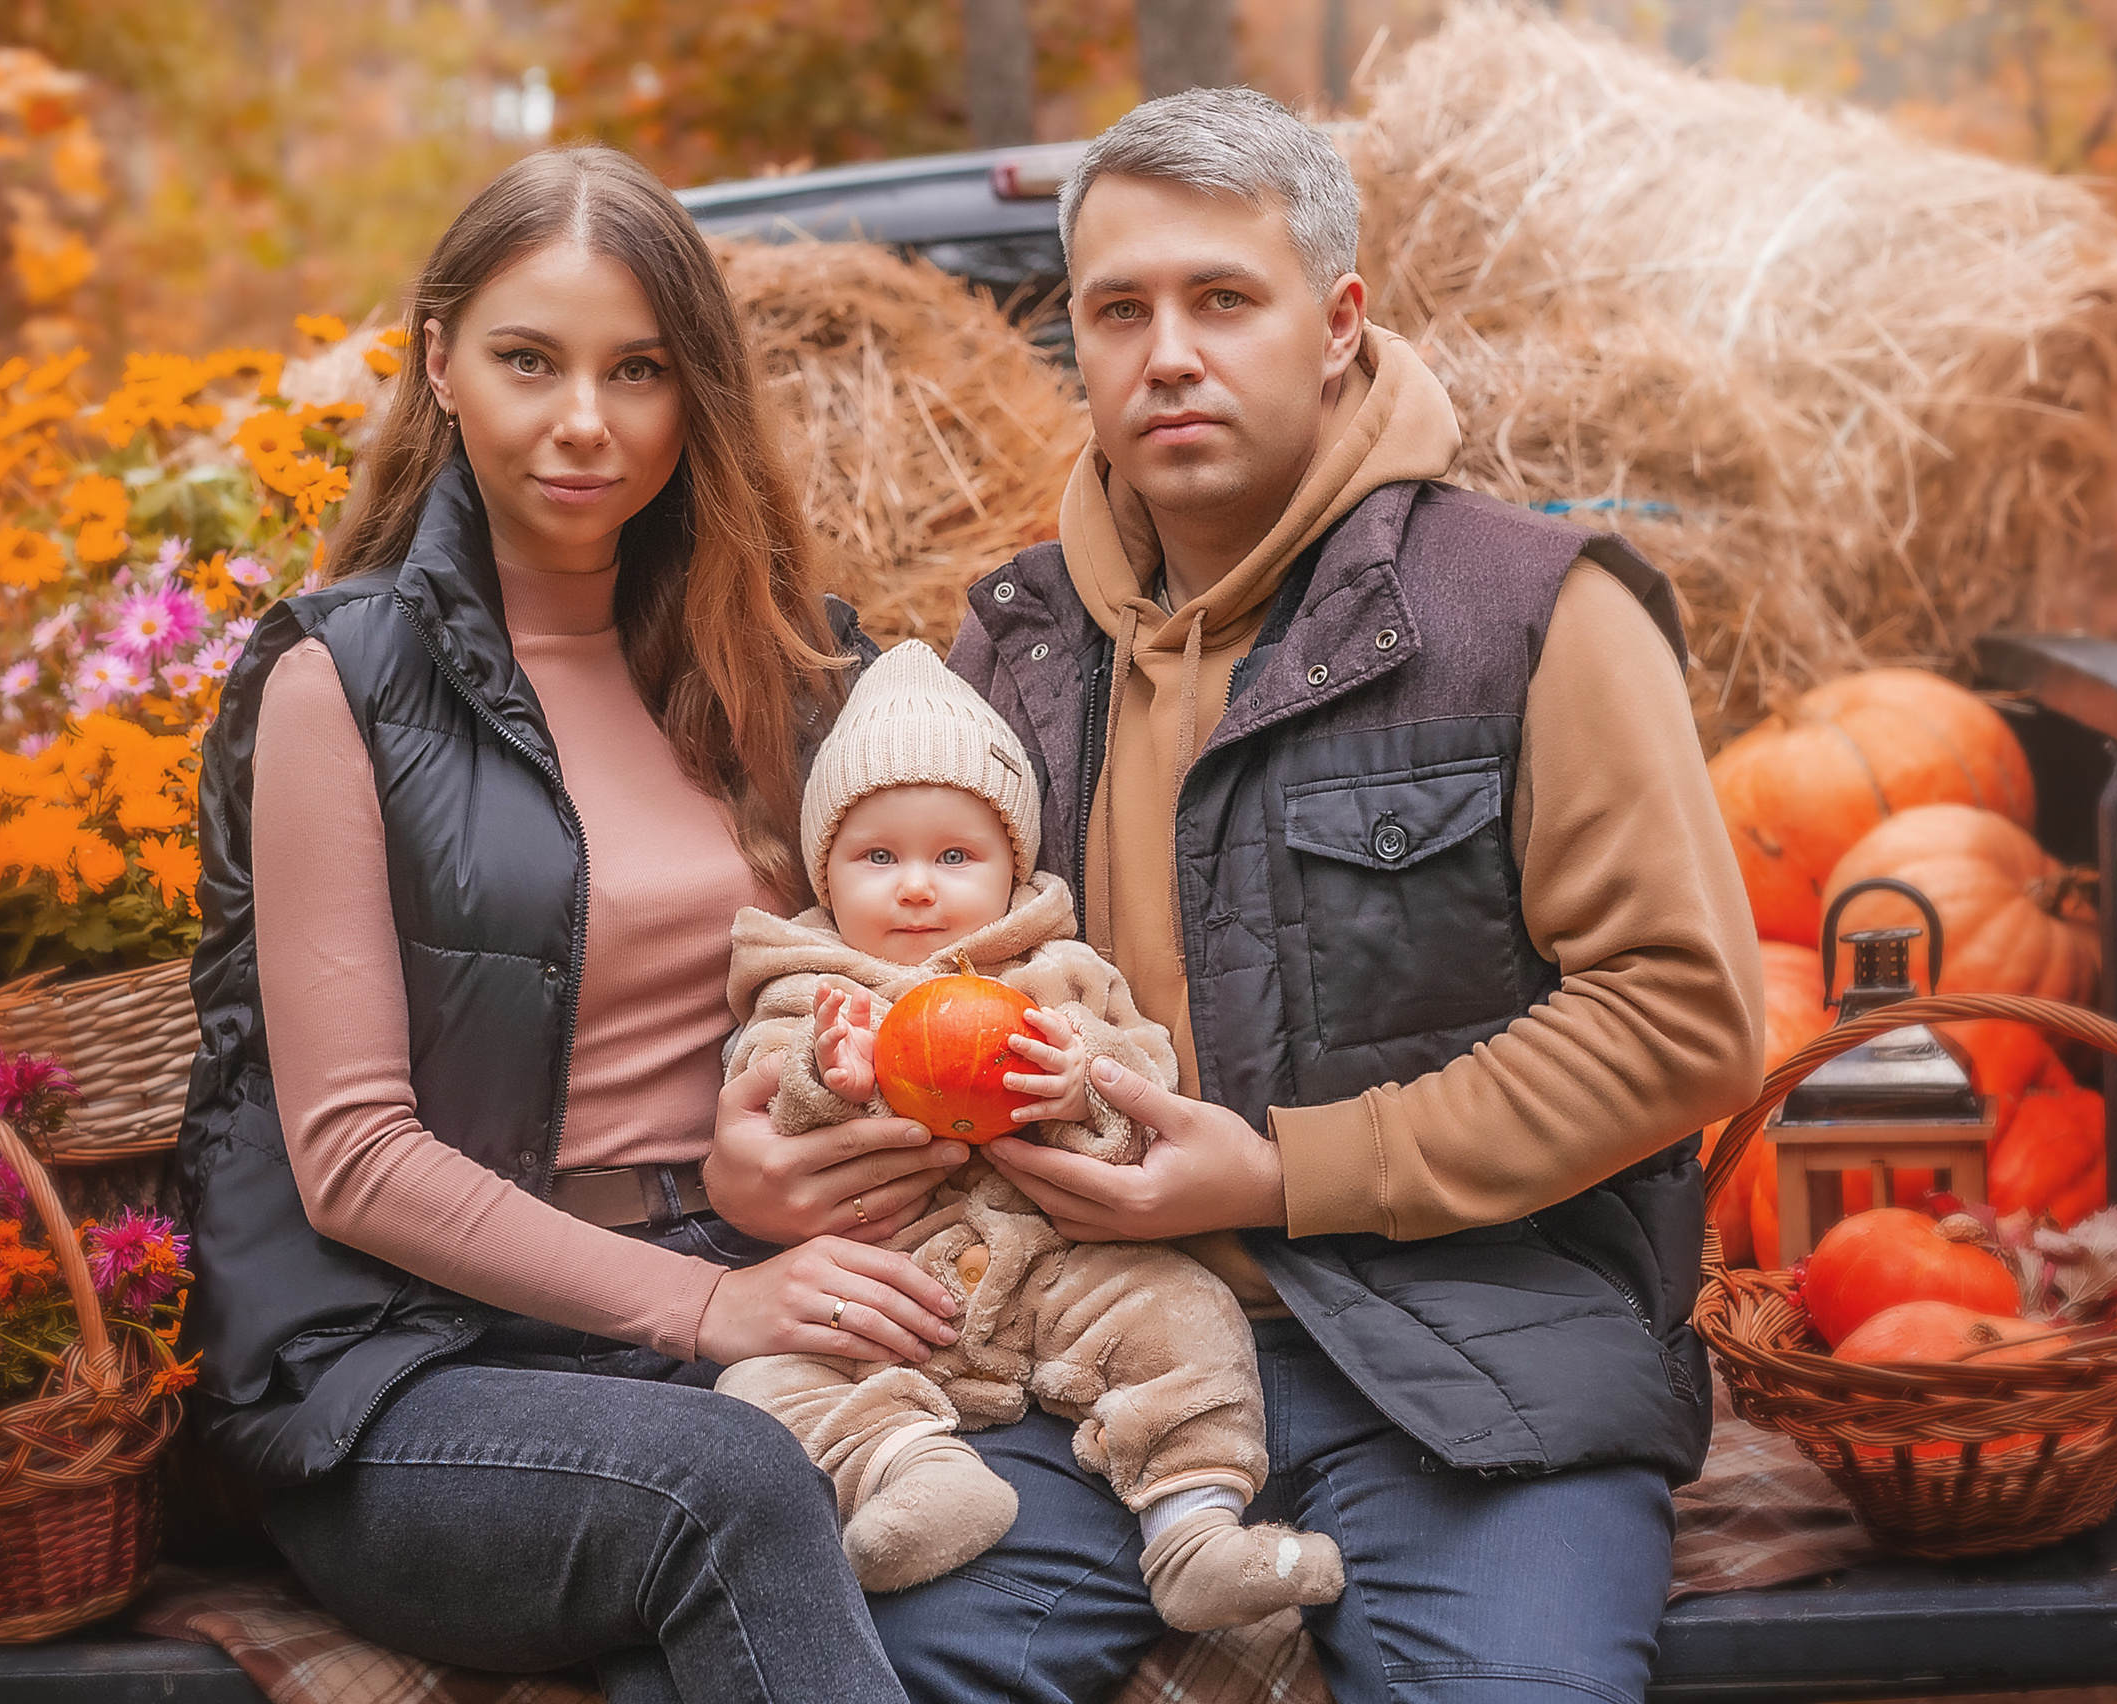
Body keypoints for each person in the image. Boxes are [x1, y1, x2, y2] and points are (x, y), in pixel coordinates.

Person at [704, 89, 1769, 1703]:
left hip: (1466, 1363)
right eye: (1118, 311)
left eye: (1222, 298)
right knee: (854, 1666)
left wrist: (1279, 1171)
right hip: (1062, 1361)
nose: (1168, 353)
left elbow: (1679, 1017)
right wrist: (780, 1144)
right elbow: (889, 979)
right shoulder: (1010, 650)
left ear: (1337, 324)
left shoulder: (1537, 614)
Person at [176, 144, 971, 1704]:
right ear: (440, 366)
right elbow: (351, 1159)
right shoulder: (341, 679)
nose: (586, 422)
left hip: (731, 1291)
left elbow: (911, 968)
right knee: (735, 1486)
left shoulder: (794, 671)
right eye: (529, 361)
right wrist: (708, 1302)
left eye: (640, 371)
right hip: (409, 1376)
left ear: (699, 398)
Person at [712, 640, 1344, 1630]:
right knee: (756, 1384)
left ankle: (1194, 1525)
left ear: (1014, 866)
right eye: (877, 856)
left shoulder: (1061, 977)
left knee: (1186, 1311)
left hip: (1056, 1268)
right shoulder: (810, 988)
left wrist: (1077, 1083)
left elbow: (1143, 1092)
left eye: (954, 856)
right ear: (824, 874)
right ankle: (910, 1475)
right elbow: (769, 1112)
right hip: (879, 1286)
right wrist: (824, 1081)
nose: (916, 887)